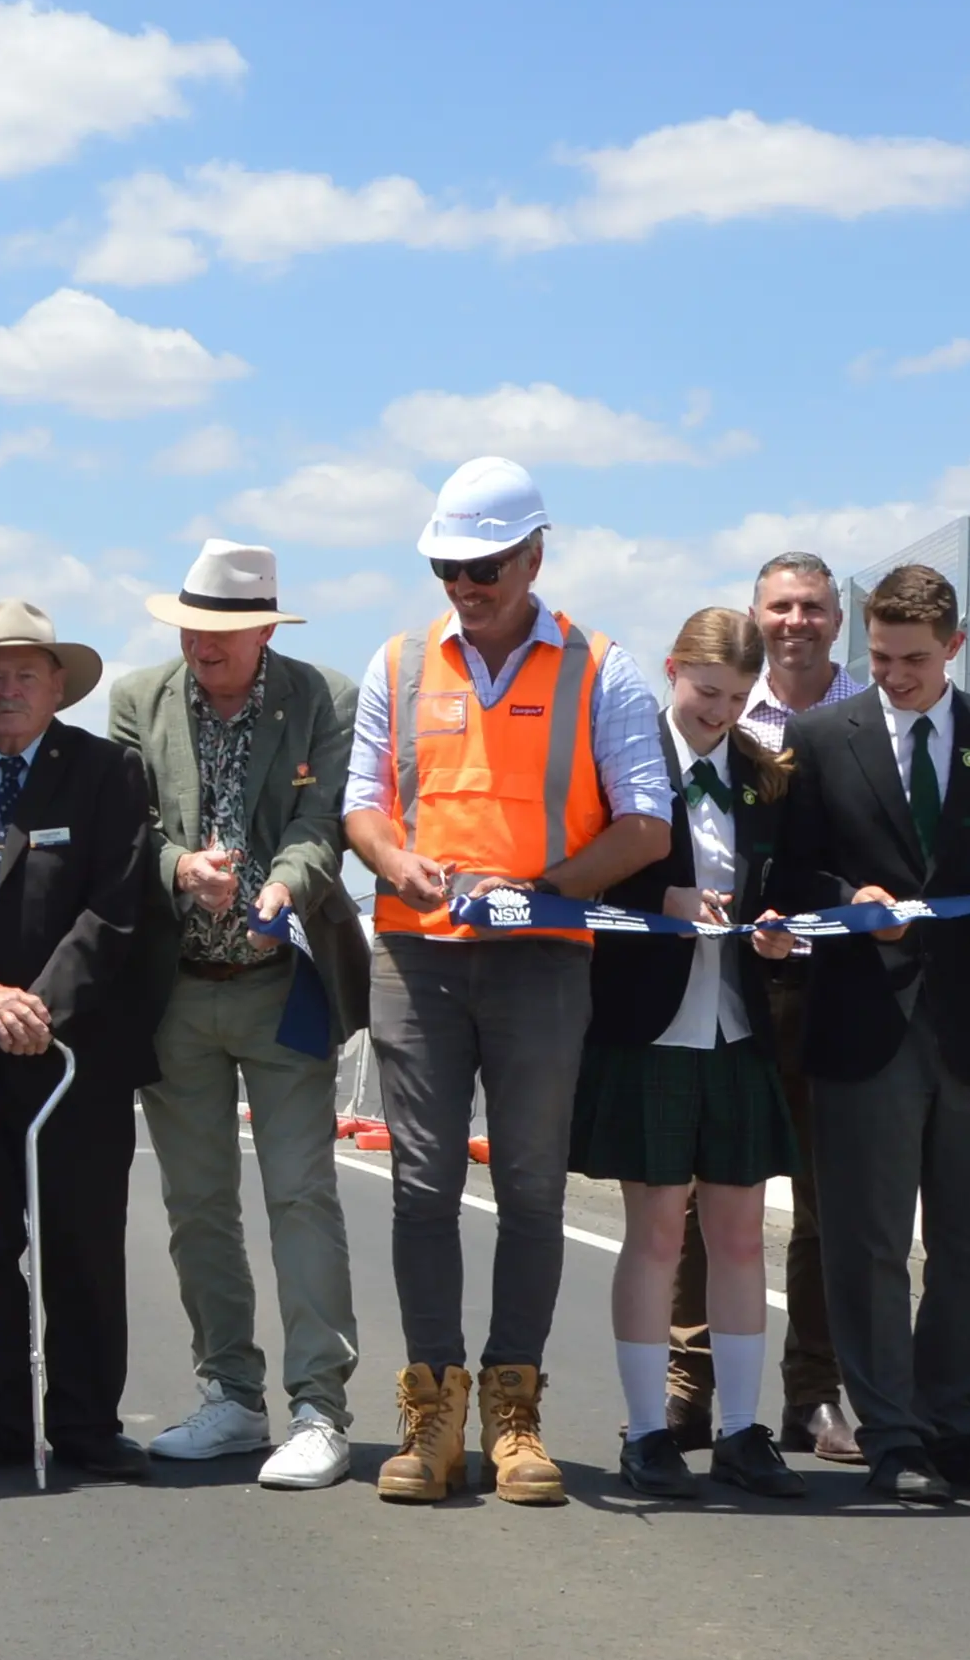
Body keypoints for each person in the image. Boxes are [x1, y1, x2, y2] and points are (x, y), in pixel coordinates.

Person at [341, 458, 672, 1506]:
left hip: (540, 960)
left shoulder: (603, 669)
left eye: (485, 566)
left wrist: (539, 891)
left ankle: (514, 1411)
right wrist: (397, 863)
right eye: (448, 566)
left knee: (530, 1186)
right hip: (416, 956)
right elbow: (362, 805)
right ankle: (430, 1412)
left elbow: (646, 823)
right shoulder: (396, 665)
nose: (466, 585)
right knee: (423, 1187)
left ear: (535, 555)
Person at [765, 563, 970, 1506]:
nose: (894, 675)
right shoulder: (815, 740)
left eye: (915, 660)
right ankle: (892, 1434)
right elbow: (789, 880)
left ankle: (960, 1426)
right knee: (868, 1243)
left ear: (955, 649)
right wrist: (851, 903)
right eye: (881, 657)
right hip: (864, 1024)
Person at [106, 541, 367, 1488]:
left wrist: (283, 890)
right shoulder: (138, 700)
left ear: (266, 627)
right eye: (189, 627)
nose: (200, 646)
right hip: (177, 989)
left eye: (221, 631)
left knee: (302, 1194)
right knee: (197, 1206)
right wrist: (179, 868)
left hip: (281, 984)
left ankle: (319, 1410)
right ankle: (229, 1396)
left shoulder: (325, 699)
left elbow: (323, 822)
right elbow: (126, 823)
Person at [0, 602, 159, 1479]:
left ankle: (86, 1423)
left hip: (75, 1053)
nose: (8, 692)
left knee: (84, 1242)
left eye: (26, 676)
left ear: (57, 687)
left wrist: (38, 1005)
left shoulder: (110, 773)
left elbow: (118, 906)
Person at [570, 610, 806, 1504]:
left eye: (740, 699)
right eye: (708, 692)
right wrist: (657, 893)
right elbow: (588, 869)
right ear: (673, 671)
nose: (721, 711)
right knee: (659, 1234)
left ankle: (746, 1432)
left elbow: (792, 877)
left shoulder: (764, 773)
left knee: (742, 1237)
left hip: (738, 1026)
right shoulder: (627, 760)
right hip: (650, 1028)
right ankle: (646, 1434)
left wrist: (785, 924)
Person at [665, 549, 859, 1460]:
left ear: (836, 618)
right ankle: (686, 1389)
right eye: (780, 606)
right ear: (753, 619)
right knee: (711, 1200)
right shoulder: (690, 734)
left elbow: (818, 864)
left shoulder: (867, 714)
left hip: (832, 990)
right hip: (733, 991)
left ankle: (814, 1395)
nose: (797, 621)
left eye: (813, 607)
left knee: (822, 1206)